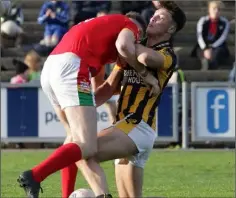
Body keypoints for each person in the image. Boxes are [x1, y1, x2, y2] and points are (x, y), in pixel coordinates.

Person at [17, 13, 159, 198]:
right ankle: (35, 175)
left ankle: (69, 195)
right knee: (87, 145)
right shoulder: (130, 27)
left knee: (73, 141)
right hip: (71, 66)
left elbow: (103, 90)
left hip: (51, 68)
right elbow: (124, 45)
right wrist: (145, 75)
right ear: (138, 31)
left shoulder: (99, 36)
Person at [76, 2, 186, 197]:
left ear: (171, 28)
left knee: (83, 151)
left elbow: (145, 58)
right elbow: (109, 88)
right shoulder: (129, 50)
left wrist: (125, 39)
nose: (153, 18)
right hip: (123, 126)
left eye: (160, 17)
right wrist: (80, 108)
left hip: (138, 126)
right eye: (154, 15)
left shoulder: (167, 54)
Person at [191, 1, 230, 70]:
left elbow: (223, 37)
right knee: (202, 54)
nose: (216, 11)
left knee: (215, 55)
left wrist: (212, 47)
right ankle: (205, 69)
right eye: (214, 9)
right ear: (209, 9)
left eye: (219, 9)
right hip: (203, 45)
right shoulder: (203, 20)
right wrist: (205, 48)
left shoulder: (225, 22)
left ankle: (212, 74)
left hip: (218, 45)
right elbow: (199, 37)